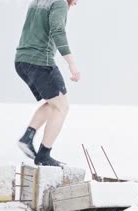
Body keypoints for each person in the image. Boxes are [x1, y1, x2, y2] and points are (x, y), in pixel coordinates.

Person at [15, 0, 80, 167]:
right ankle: (44, 155)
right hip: (40, 62)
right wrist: (72, 64)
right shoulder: (59, 2)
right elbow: (58, 31)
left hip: (22, 60)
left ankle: (27, 138)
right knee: (62, 106)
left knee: (53, 103)